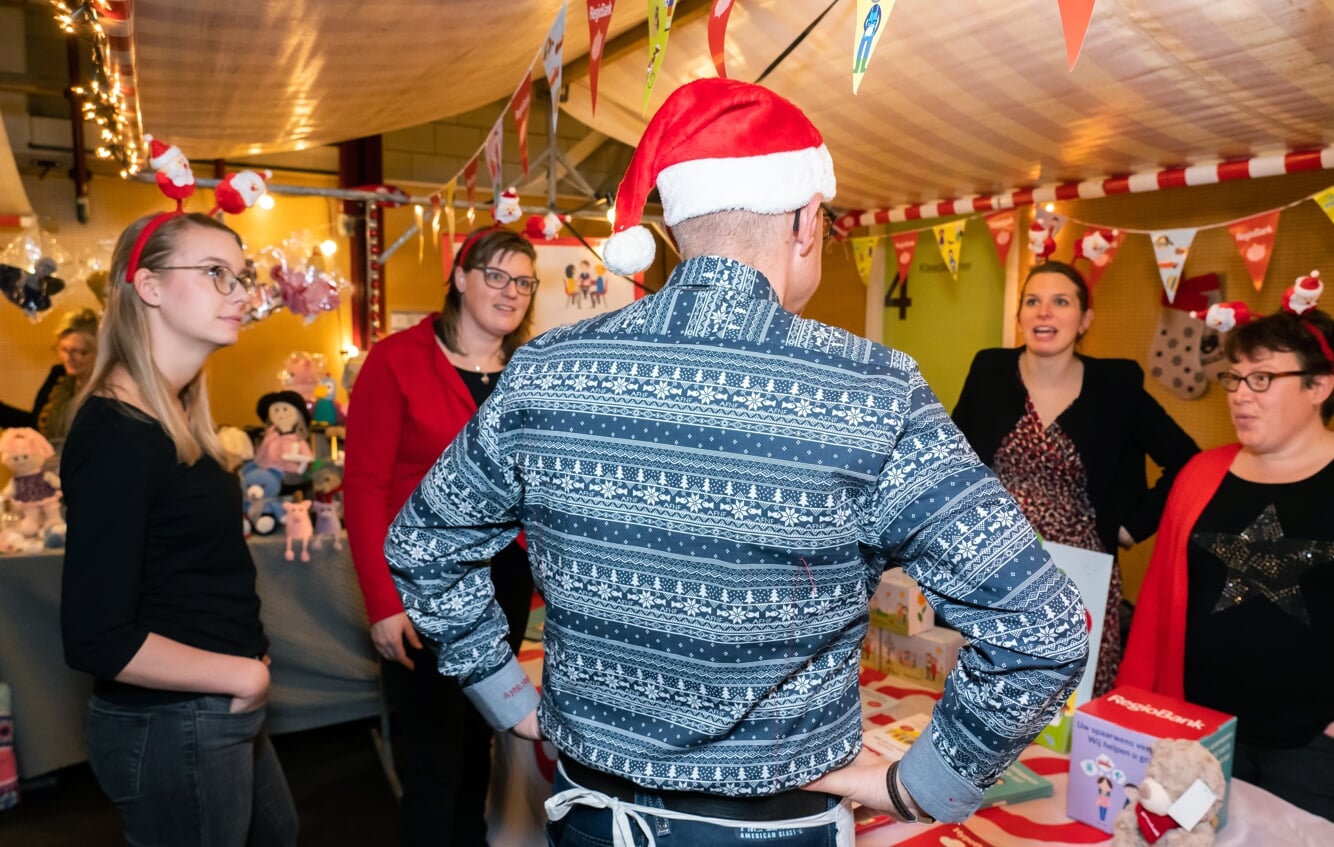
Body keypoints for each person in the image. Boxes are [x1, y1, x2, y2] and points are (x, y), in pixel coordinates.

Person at [386, 77, 1087, 847]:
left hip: (588, 814)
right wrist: (923, 783)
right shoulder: (869, 390)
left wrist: (502, 690)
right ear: (805, 220)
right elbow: (1041, 626)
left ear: (680, 227)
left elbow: (423, 542)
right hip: (769, 829)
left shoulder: (548, 366)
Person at [1117, 306, 1334, 847]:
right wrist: (1134, 717)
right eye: (1234, 377)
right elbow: (1155, 613)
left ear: (1319, 385)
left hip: (1327, 754)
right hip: (1198, 745)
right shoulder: (1199, 476)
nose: (1240, 393)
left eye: (1261, 378)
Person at [60, 211, 297, 845]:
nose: (242, 293)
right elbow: (95, 637)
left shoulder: (170, 422)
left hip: (209, 709)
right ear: (150, 286)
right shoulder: (116, 434)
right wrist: (240, 673)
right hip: (173, 719)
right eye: (217, 274)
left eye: (242, 277)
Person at [345, 227, 538, 846]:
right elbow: (365, 487)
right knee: (433, 755)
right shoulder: (397, 359)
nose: (512, 292)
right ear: (460, 277)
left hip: (504, 580)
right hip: (423, 583)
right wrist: (383, 602)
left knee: (483, 739)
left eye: (525, 282)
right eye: (497, 276)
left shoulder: (530, 370)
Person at [951, 260, 1198, 695]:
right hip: (992, 568)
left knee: (1066, 709)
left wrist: (1130, 527)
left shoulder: (1116, 385)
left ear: (1085, 320)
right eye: (1033, 301)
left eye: (1060, 302)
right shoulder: (989, 371)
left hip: (1077, 577)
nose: (1044, 312)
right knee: (986, 705)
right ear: (1020, 317)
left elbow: (1187, 460)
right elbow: (951, 460)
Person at [24, 308, 99, 440]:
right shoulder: (59, 375)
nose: (69, 358)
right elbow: (33, 423)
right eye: (64, 349)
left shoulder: (108, 387)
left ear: (99, 352)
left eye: (80, 352)